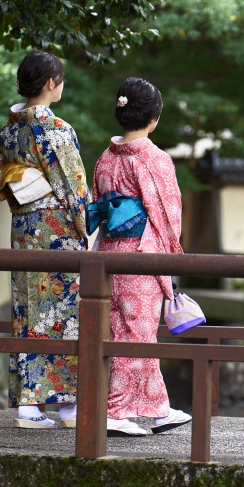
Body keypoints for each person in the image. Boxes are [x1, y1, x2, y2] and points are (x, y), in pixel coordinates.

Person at [90, 77, 192, 436]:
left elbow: (99, 206)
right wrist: (171, 261)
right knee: (134, 335)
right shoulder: (153, 159)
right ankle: (115, 411)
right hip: (140, 255)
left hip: (108, 254)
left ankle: (158, 408)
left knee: (127, 331)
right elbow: (168, 215)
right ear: (153, 118)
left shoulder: (105, 159)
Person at [0, 51, 88, 428]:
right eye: (60, 79)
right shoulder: (55, 129)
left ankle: (28, 406)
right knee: (63, 314)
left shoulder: (10, 129)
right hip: (56, 231)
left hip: (23, 228)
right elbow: (72, 183)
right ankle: (65, 407)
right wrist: (86, 224)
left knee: (27, 310)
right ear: (51, 82)